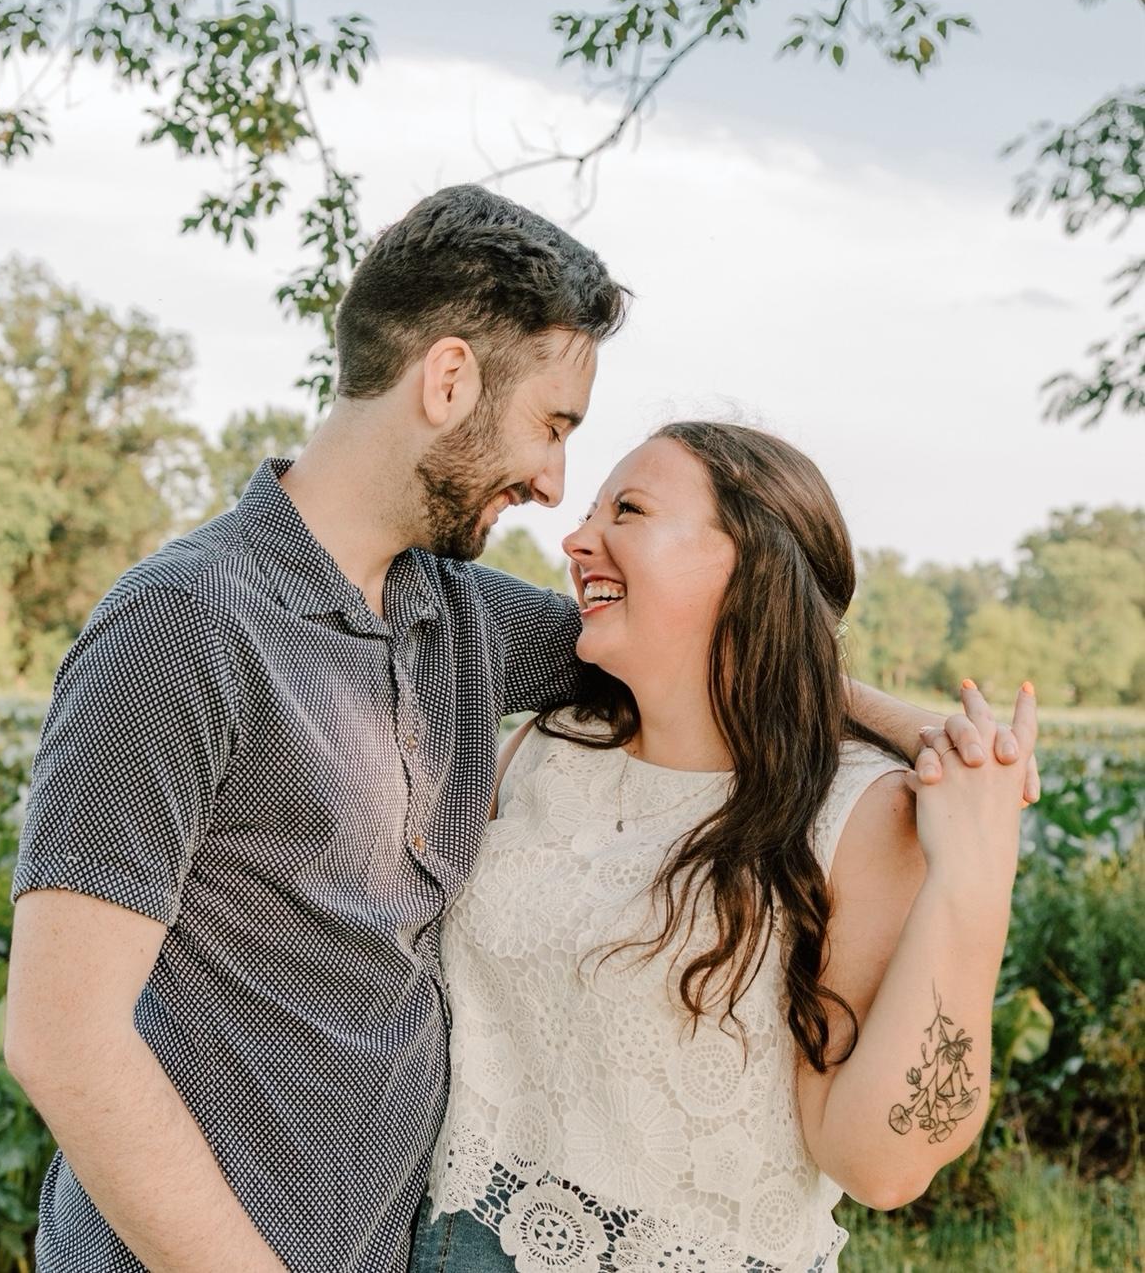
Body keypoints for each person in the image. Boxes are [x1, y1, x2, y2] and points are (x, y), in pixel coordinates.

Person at [2, 185, 1027, 1273]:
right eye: (552, 425)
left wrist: (940, 749)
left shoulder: (459, 614)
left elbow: (713, 659)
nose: (552, 485)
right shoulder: (184, 624)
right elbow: (63, 1042)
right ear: (447, 380)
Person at [412, 422, 1036, 1273]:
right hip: (454, 1241)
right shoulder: (550, 744)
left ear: (750, 564)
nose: (575, 537)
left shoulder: (859, 810)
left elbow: (882, 1162)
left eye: (627, 510)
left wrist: (976, 875)